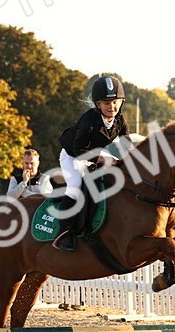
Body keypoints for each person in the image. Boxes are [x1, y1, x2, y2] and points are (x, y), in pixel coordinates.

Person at [53, 76, 129, 251]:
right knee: (76, 185)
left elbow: (127, 146)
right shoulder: (88, 119)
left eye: (115, 102)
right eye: (106, 103)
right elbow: (79, 150)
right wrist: (103, 159)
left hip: (95, 153)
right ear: (98, 105)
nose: (112, 107)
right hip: (72, 155)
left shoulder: (120, 121)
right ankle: (65, 232)